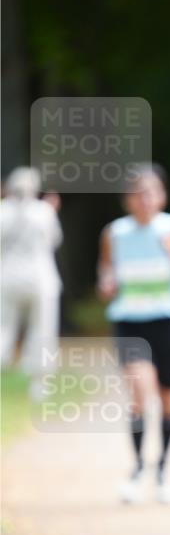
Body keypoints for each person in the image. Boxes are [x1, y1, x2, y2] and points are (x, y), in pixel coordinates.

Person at [98, 166, 170, 504]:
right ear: (128, 199)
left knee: (167, 399)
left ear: (162, 196)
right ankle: (138, 468)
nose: (146, 200)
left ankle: (163, 470)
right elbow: (106, 277)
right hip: (130, 321)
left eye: (153, 192)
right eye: (139, 194)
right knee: (140, 394)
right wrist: (107, 285)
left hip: (169, 320)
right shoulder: (115, 233)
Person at [0, 167, 63, 400]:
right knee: (43, 330)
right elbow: (54, 239)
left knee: (4, 327)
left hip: (7, 278)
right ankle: (40, 383)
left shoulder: (3, 212)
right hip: (41, 279)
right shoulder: (44, 211)